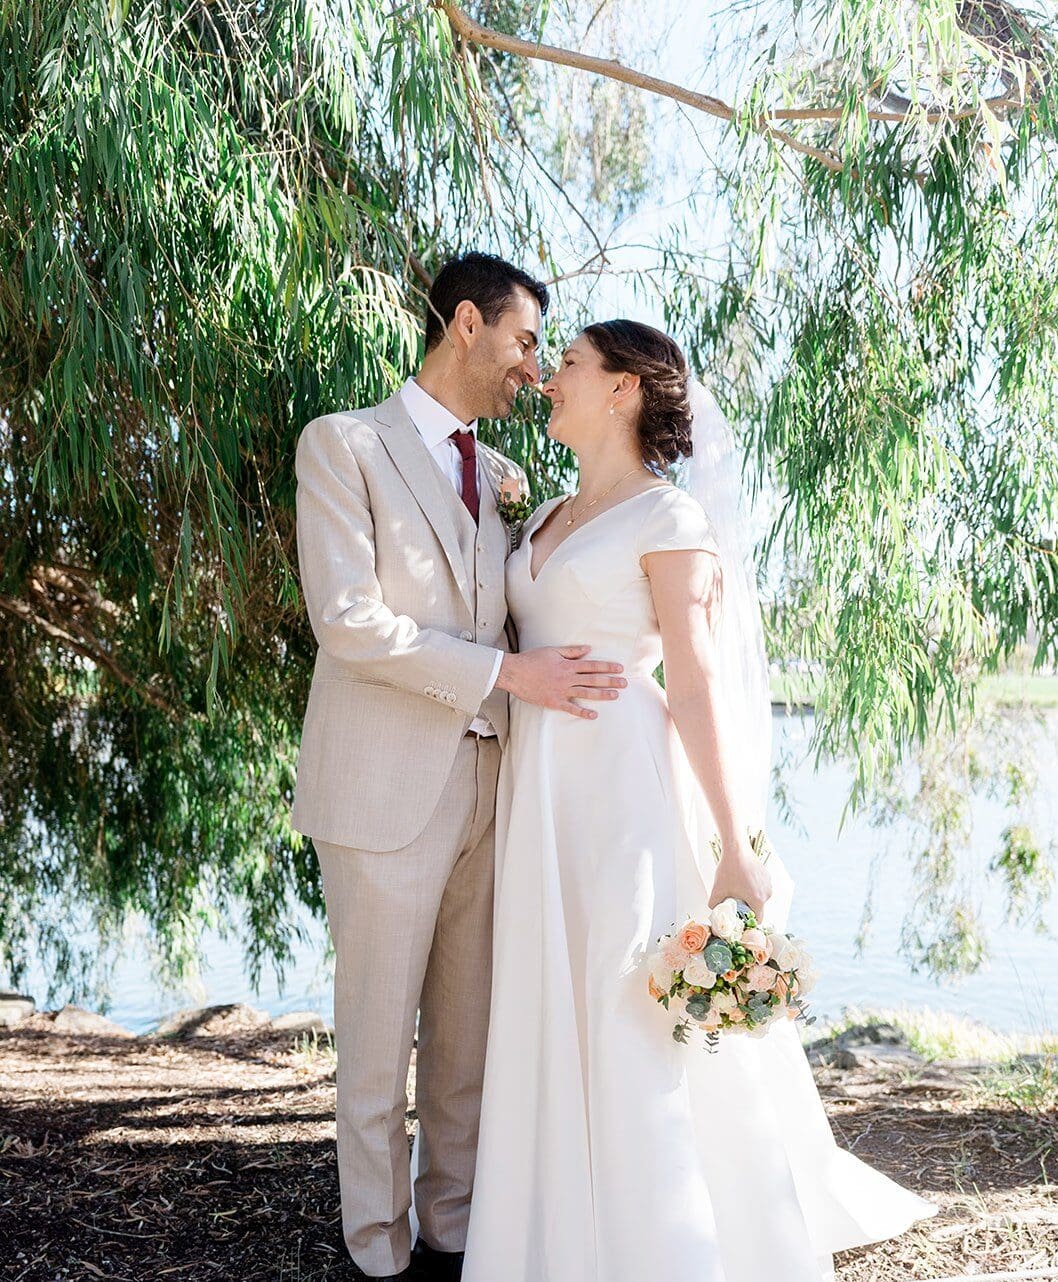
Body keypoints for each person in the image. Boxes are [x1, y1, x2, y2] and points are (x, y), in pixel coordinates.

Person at [461, 319, 936, 1282]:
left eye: (569, 364)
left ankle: (657, 1244)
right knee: (551, 987)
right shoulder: (545, 511)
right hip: (539, 783)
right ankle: (550, 1230)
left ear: (625, 389)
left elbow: (695, 682)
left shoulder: (668, 520)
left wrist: (735, 843)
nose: (548, 377)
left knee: (621, 989)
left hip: (622, 783)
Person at [292, 254, 628, 1281]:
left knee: (466, 1049)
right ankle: (376, 1253)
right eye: (526, 342)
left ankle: (451, 1239)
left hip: (494, 794)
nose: (535, 368)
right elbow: (349, 622)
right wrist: (509, 675)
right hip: (382, 791)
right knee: (374, 1046)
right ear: (468, 325)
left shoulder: (503, 475)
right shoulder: (344, 444)